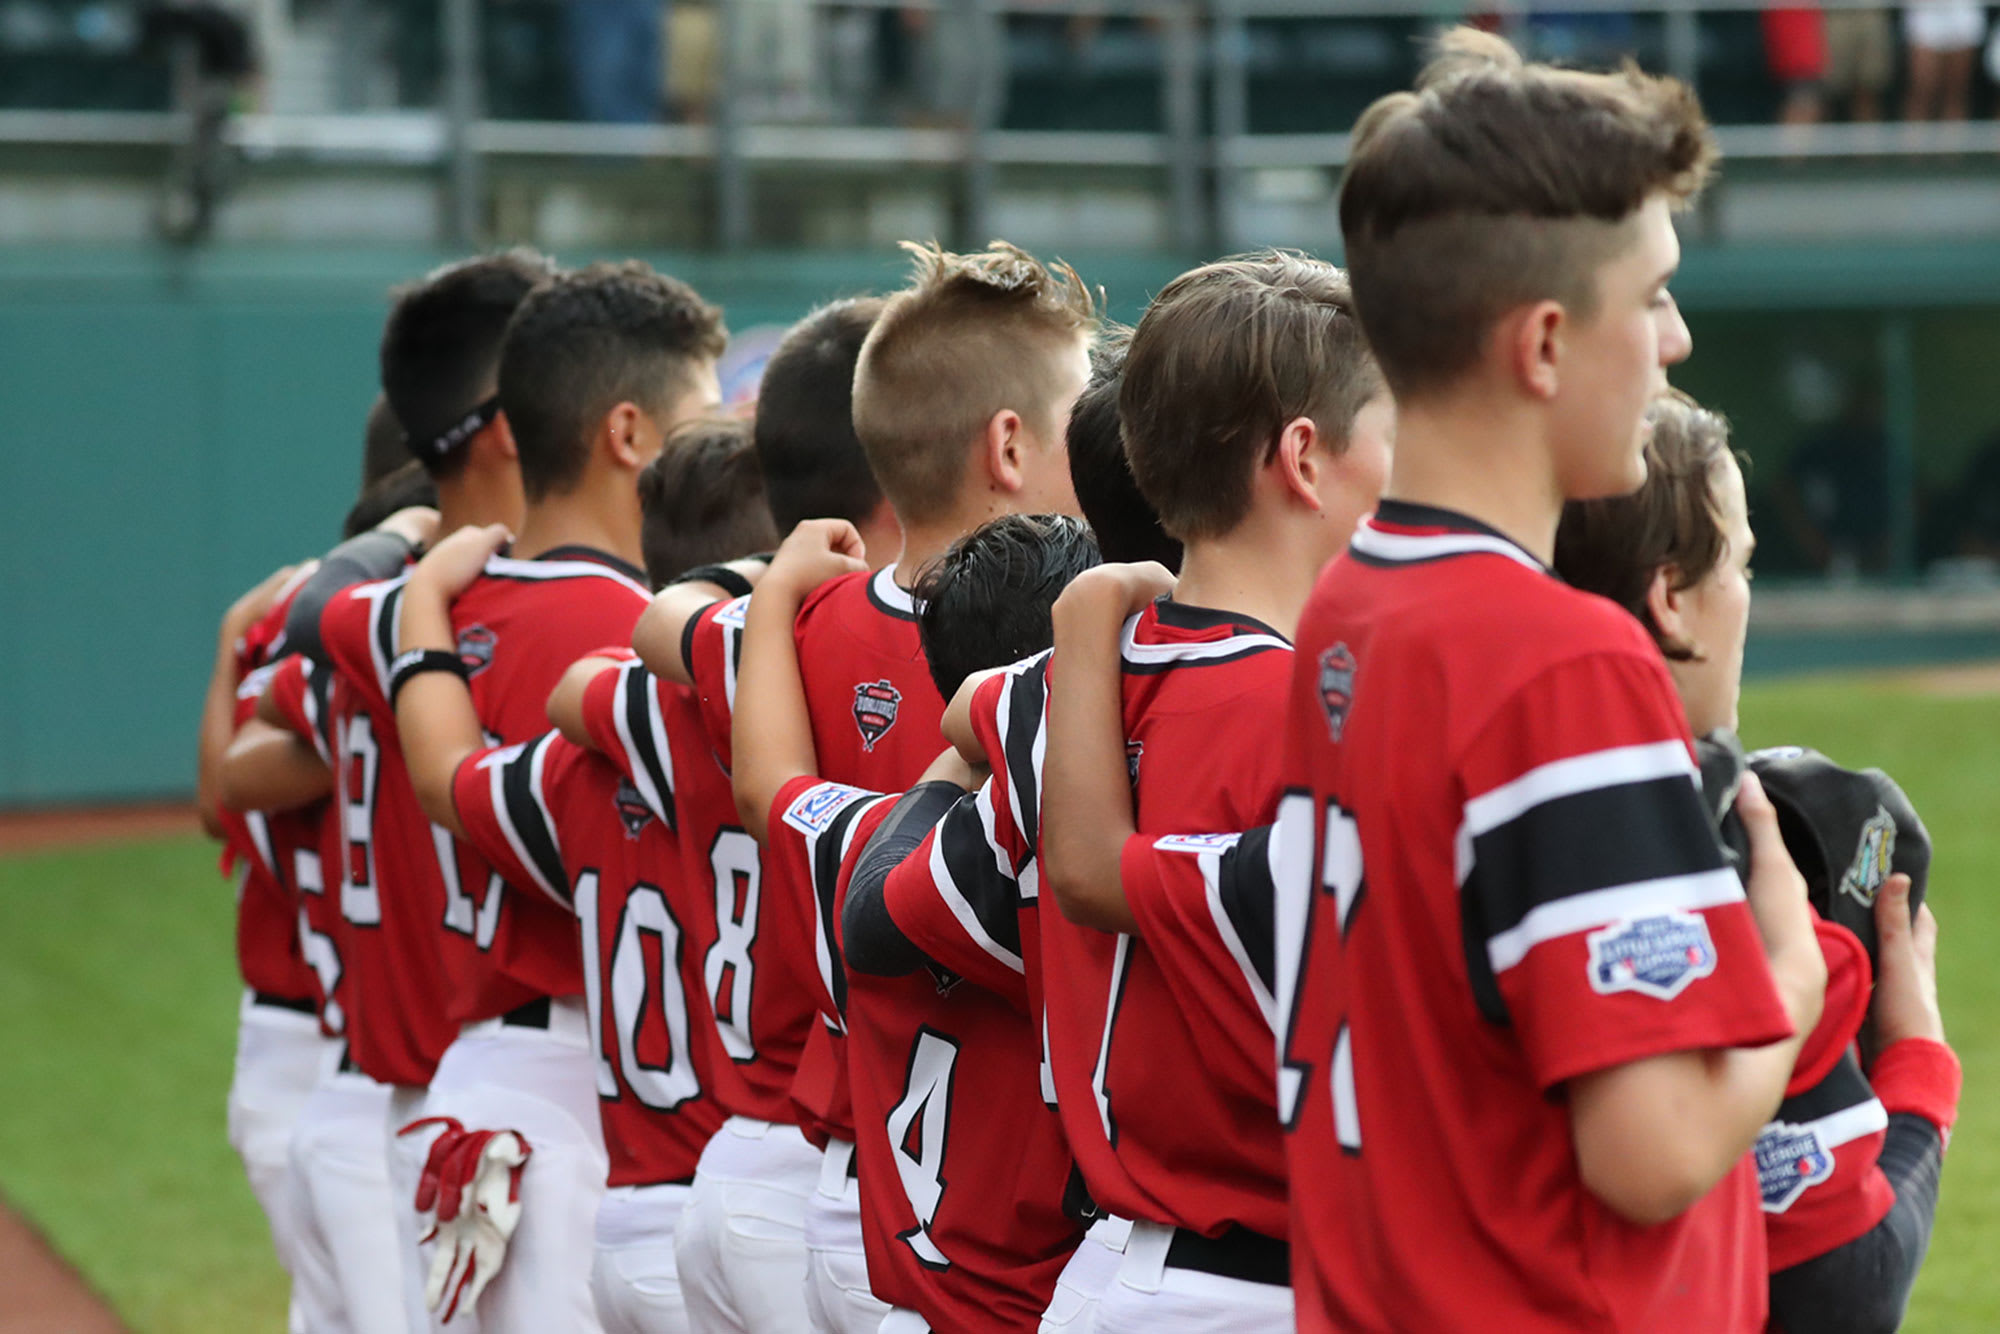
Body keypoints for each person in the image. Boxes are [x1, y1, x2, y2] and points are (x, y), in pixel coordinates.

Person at [1271, 28, 1826, 1331]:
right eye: (1651, 299)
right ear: (1542, 346)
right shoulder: (1561, 659)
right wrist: (1792, 970)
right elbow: (1649, 1150)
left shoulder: (1345, 608)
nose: (1676, 340)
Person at [877, 252, 1390, 1334]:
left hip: (1108, 1267)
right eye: (1390, 428)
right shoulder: (1319, 711)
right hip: (1260, 1275)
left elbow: (905, 906)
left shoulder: (1050, 693)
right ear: (1302, 456)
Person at [634, 239, 1096, 1334]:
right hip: (996, 1219)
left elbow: (669, 661)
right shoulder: (1069, 663)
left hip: (841, 1181)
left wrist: (751, 592)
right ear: (1009, 443)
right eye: (1081, 404)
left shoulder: (783, 633)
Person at [1554, 390, 1962, 1332]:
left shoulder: (1402, 777)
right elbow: (1839, 1287)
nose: (1748, 594)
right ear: (1670, 596)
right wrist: (1915, 1067)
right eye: (1738, 562)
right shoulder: (1744, 883)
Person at [534, 293, 898, 1334]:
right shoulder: (872, 659)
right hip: (826, 1144)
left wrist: (737, 586)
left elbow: (581, 684)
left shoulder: (682, 685)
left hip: (708, 1164)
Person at [386, 414, 780, 1334]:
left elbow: (445, 778)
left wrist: (419, 611)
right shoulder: (806, 748)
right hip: (758, 1202)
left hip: (626, 1214)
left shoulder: (587, 752)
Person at [225, 249, 554, 1334]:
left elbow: (234, 768)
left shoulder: (370, 613)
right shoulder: (521, 619)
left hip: (393, 1084)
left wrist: (386, 549)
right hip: (464, 1087)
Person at [735, 513, 1104, 1333]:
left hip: (898, 1275)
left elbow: (772, 787)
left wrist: (772, 597)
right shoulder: (1069, 873)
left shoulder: (866, 833)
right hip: (1020, 1302)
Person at [1903, 0, 1987, 121]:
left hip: (1962, 12)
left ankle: (1951, 139)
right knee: (1921, 92)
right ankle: (1914, 139)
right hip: (1924, 13)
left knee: (1956, 94)